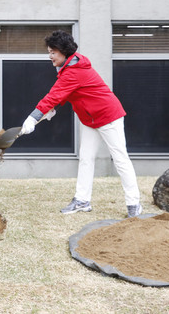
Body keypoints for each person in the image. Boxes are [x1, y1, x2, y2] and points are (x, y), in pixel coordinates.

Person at [20, 30, 143, 218]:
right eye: (49, 52)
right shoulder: (68, 68)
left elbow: (53, 96)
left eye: (53, 52)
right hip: (90, 120)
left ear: (63, 51)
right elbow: (64, 95)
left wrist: (33, 118)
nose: (50, 56)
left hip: (108, 116)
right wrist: (47, 112)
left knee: (120, 159)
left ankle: (134, 204)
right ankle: (82, 201)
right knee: (86, 158)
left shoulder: (74, 71)